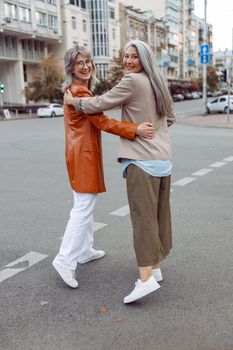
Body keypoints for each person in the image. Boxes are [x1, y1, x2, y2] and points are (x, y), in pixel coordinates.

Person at [64, 40, 176, 302]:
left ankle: (145, 279)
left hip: (142, 161)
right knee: (159, 217)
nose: (127, 61)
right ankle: (156, 268)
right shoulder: (158, 81)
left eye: (133, 57)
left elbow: (99, 104)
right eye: (125, 56)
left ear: (143, 59)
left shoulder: (133, 81)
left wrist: (73, 101)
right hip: (163, 160)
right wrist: (153, 129)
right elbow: (170, 118)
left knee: (143, 221)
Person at [52, 45, 155, 289]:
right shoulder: (80, 93)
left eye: (88, 61)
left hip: (80, 154)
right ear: (71, 68)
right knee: (83, 207)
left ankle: (85, 250)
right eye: (80, 63)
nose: (86, 66)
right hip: (83, 156)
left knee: (85, 203)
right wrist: (135, 129)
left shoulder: (77, 92)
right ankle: (65, 260)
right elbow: (103, 121)